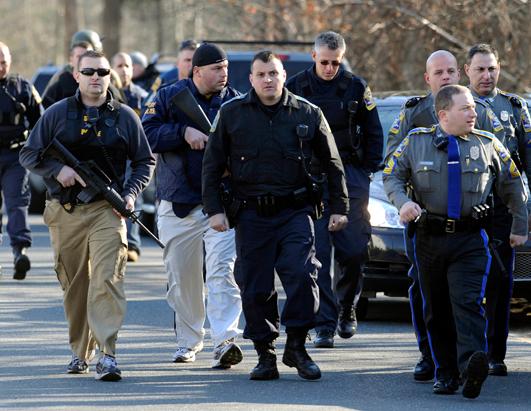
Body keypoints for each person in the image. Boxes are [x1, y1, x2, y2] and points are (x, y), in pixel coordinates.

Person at [202, 50, 349, 381]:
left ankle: (296, 346)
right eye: (261, 74)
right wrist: (214, 210)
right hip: (251, 214)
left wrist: (340, 207)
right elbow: (211, 165)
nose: (268, 79)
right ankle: (265, 354)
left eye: (274, 73)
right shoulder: (232, 113)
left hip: (295, 211)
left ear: (284, 76)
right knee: (255, 286)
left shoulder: (308, 113)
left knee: (302, 274)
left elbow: (333, 164)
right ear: (251, 79)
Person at [383, 85, 528, 398]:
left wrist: (520, 226)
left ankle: (471, 365)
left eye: (474, 108)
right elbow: (391, 176)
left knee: (468, 301)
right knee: (436, 308)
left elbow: (514, 186)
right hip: (429, 238)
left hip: (470, 239)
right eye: (466, 108)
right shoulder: (415, 142)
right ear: (443, 114)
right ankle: (445, 372)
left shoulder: (489, 144)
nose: (473, 113)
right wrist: (402, 202)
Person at [19, 50, 155, 381]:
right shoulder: (57, 114)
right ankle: (81, 351)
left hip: (108, 210)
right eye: (89, 71)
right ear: (76, 75)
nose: (96, 76)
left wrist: (131, 194)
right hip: (65, 210)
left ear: (112, 76)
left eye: (102, 71)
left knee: (107, 279)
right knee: (75, 284)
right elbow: (28, 153)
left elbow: (144, 162)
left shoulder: (125, 117)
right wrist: (58, 169)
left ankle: (107, 354)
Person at [142, 43, 243, 369]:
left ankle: (225, 339)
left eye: (226, 67)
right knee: (183, 280)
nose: (223, 73)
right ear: (197, 71)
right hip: (179, 203)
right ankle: (189, 342)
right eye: (217, 68)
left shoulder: (235, 101)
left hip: (222, 205)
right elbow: (147, 134)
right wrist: (183, 132)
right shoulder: (168, 96)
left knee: (221, 271)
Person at [286, 31, 383, 348]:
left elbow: (373, 131)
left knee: (354, 251)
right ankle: (325, 324)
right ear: (314, 56)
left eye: (336, 63)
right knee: (318, 255)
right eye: (324, 62)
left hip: (350, 175)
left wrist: (366, 170)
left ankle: (347, 307)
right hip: (312, 178)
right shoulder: (297, 88)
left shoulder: (355, 86)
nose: (330, 68)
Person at [464, 43, 531, 377]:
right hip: (467, 209)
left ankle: (495, 353)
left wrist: (524, 213)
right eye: (480, 69)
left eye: (492, 68)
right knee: (468, 281)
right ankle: (467, 351)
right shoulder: (456, 104)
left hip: (502, 210)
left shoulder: (515, 107)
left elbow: (527, 163)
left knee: (501, 283)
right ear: (467, 71)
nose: (487, 75)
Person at [0, 42, 42, 280]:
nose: (1, 67)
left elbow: (40, 121)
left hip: (15, 155)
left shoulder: (22, 87)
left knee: (17, 204)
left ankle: (20, 252)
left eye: (4, 62)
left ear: (10, 61)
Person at [112, 51, 149, 262]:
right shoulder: (107, 94)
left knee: (134, 196)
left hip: (135, 153)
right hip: (114, 153)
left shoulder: (142, 97)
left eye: (127, 66)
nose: (124, 70)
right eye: (119, 66)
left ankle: (132, 245)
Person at [42, 41, 93, 109]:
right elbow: (45, 114)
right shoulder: (58, 87)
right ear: (71, 60)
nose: (83, 59)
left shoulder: (102, 83)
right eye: (79, 56)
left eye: (87, 56)